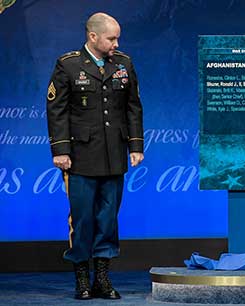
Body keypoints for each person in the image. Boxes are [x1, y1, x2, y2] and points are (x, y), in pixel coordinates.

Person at [46, 12, 144, 300]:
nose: (116, 43)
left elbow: (133, 107)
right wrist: (61, 150)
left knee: (108, 218)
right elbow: (56, 110)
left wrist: (135, 146)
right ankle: (81, 278)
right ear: (93, 37)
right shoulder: (68, 64)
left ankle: (102, 277)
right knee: (83, 218)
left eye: (118, 38)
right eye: (111, 38)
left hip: (114, 153)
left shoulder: (124, 64)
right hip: (79, 156)